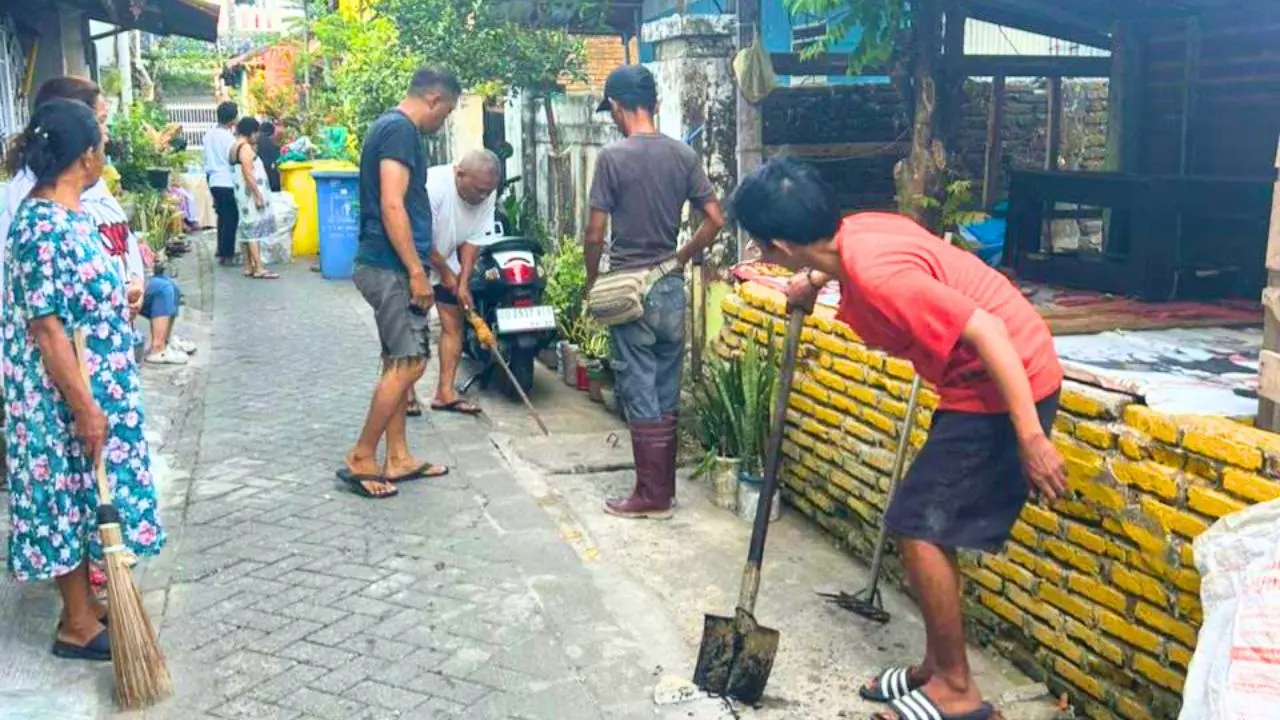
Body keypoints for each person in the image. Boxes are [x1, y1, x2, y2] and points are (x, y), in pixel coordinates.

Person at [731, 157, 1066, 720]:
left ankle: (957, 691)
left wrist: (1030, 437)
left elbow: (986, 329)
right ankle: (938, 670)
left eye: (763, 247)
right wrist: (811, 281)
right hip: (976, 385)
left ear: (779, 245)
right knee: (926, 523)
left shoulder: (881, 277)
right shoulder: (855, 232)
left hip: (1007, 386)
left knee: (916, 526)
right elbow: (832, 260)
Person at [4, 98, 165, 661]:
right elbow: (48, 329)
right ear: (87, 157)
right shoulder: (40, 224)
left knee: (88, 491)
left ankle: (91, 605)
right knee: (65, 499)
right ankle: (76, 621)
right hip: (62, 396)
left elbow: (74, 300)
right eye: (101, 143)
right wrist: (83, 407)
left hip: (94, 388)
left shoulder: (69, 214)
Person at [585, 65, 726, 520]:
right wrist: (682, 257)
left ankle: (650, 495)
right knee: (666, 386)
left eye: (612, 110)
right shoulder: (683, 156)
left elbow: (594, 233)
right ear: (656, 104)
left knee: (638, 387)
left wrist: (593, 281)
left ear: (621, 108)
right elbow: (715, 219)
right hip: (669, 285)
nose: (612, 118)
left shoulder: (612, 158)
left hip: (630, 290)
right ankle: (663, 490)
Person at [0, 77, 195, 365]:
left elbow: (120, 239)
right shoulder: (35, 208)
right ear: (73, 126)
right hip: (75, 368)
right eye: (101, 122)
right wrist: (87, 408)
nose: (105, 134)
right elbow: (46, 323)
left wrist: (133, 284)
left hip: (108, 354)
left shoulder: (89, 185)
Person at [340, 68, 460, 499]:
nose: (442, 122)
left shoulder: (388, 128)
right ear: (433, 99)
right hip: (390, 267)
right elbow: (393, 203)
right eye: (446, 113)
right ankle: (362, 455)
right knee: (411, 362)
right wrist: (414, 270)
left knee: (397, 359)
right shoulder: (400, 131)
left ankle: (399, 457)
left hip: (385, 263)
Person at [409, 149, 501, 417]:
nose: (483, 197)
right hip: (415, 262)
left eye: (488, 191)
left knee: (454, 323)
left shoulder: (487, 190)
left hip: (448, 257)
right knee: (413, 326)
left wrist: (463, 280)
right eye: (479, 190)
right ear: (459, 174)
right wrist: (446, 274)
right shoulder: (432, 187)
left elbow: (475, 237)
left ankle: (445, 392)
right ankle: (406, 393)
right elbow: (421, 240)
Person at [229, 117, 279, 280]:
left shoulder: (234, 146)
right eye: (256, 133)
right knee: (253, 230)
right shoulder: (245, 148)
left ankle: (248, 266)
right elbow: (248, 173)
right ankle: (259, 267)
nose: (257, 136)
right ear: (250, 132)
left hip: (241, 193)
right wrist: (257, 194)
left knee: (245, 227)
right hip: (249, 194)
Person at [204, 101, 239, 265]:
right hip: (227, 180)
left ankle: (220, 249)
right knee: (231, 218)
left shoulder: (208, 135)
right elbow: (232, 159)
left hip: (213, 180)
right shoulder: (229, 138)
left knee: (221, 216)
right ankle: (228, 254)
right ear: (232, 119)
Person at [258, 121, 282, 193]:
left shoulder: (254, 142)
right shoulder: (272, 145)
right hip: (273, 181)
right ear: (272, 133)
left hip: (260, 181)